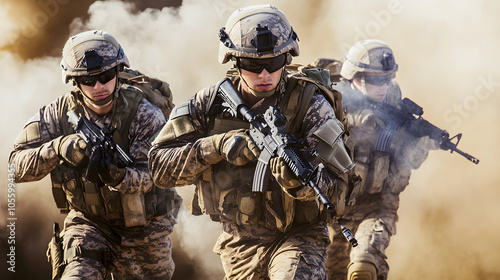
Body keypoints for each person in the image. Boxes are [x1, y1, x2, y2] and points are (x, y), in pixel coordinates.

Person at [148, 4, 354, 280]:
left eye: (275, 63)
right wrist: (216, 147)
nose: (265, 74)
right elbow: (159, 168)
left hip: (300, 237)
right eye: (253, 65)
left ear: (288, 57)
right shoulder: (210, 104)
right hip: (239, 245)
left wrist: (300, 185)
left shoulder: (311, 105)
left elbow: (339, 192)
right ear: (234, 61)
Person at [9, 30, 181, 280]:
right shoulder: (58, 114)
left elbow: (160, 174)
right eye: (89, 81)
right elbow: (14, 168)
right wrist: (58, 148)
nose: (99, 87)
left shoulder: (144, 114)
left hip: (145, 232)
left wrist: (118, 177)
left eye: (105, 77)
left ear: (117, 73)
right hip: (89, 225)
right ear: (75, 81)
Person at [318, 39, 439, 280]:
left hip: (375, 205)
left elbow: (405, 164)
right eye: (374, 79)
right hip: (331, 209)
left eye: (387, 78)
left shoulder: (397, 111)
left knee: (364, 269)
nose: (382, 85)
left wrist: (421, 145)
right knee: (330, 273)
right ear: (354, 75)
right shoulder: (327, 102)